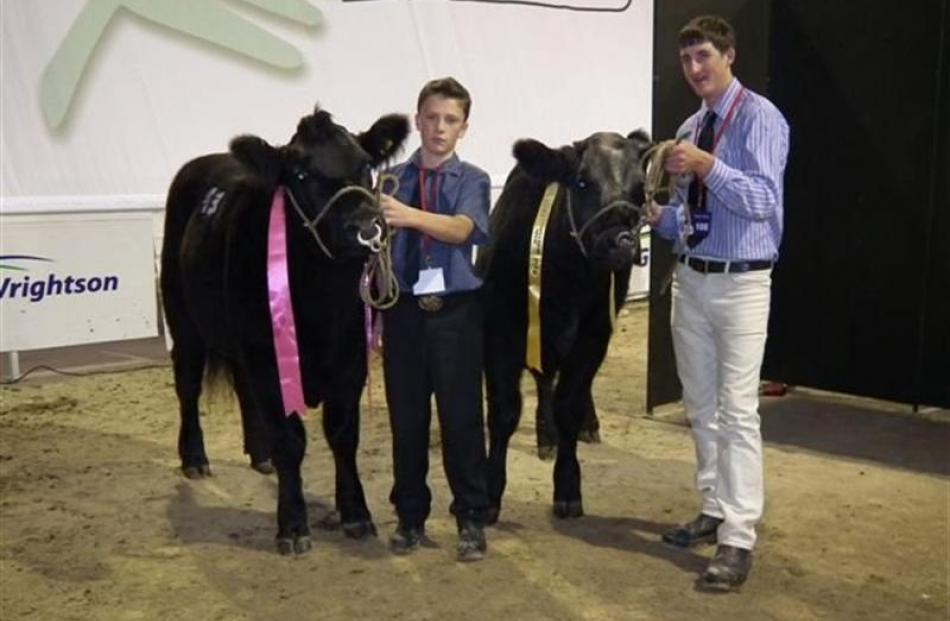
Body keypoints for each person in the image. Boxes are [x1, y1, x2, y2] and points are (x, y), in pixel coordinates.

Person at [648, 15, 790, 590]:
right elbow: (692, 219)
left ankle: (738, 536)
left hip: (742, 283)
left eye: (704, 55)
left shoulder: (761, 117)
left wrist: (708, 165)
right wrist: (662, 220)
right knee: (700, 405)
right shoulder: (690, 126)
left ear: (729, 55)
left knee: (737, 412)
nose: (695, 69)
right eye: (686, 60)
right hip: (694, 279)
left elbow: (761, 200)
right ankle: (712, 506)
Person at [379, 77, 492, 562]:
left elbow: (463, 230)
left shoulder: (473, 180)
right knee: (407, 421)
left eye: (450, 120)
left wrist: (406, 216)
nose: (438, 128)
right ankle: (409, 517)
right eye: (431, 118)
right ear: (417, 118)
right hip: (402, 315)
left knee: (462, 420)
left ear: (464, 128)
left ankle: (471, 518)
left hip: (456, 316)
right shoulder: (388, 182)